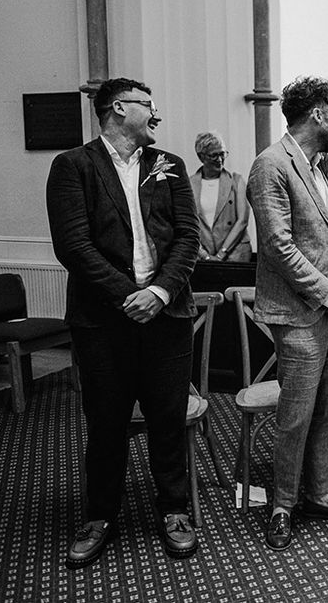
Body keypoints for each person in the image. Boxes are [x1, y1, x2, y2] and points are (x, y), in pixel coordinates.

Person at [46, 77, 200, 568]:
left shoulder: (169, 166)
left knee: (168, 420)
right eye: (148, 106)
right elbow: (74, 246)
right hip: (103, 322)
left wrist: (158, 292)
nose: (156, 115)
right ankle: (99, 516)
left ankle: (175, 511)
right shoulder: (73, 166)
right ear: (119, 108)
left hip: (166, 316)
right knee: (106, 422)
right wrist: (128, 296)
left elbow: (188, 239)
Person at [247, 76, 328, 552]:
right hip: (298, 313)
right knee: (295, 415)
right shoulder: (270, 165)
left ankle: (322, 494)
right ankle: (282, 505)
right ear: (317, 114)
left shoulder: (325, 166)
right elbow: (278, 246)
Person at [189, 131, 251, 263]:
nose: (219, 159)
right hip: (202, 257)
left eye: (222, 154)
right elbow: (187, 225)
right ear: (201, 157)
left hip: (235, 254)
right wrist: (204, 255)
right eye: (213, 155)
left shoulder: (237, 181)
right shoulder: (189, 184)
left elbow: (242, 221)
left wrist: (221, 254)